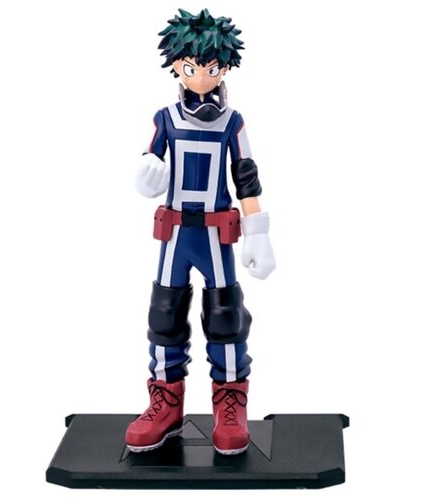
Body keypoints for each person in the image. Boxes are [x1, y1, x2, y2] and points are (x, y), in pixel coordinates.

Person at [125, 8, 275, 455]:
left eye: (213, 68)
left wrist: (258, 231)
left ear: (225, 68)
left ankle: (230, 401)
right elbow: (150, 161)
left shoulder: (233, 123)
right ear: (177, 66)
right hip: (175, 233)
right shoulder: (166, 118)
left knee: (226, 317)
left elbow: (245, 176)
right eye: (192, 68)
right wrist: (145, 177)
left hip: (215, 235)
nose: (203, 78)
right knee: (164, 315)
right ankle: (165, 402)